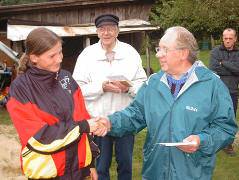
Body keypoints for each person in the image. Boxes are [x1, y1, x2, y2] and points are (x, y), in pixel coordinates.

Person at [96, 26, 238, 180]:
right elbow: (135, 115)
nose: (158, 54)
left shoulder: (212, 85)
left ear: (183, 53)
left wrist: (201, 141)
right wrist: (110, 123)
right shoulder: (153, 83)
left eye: (164, 49)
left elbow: (226, 128)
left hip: (193, 173)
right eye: (158, 48)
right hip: (154, 172)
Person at [6, 27, 106, 180]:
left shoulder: (66, 78)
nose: (59, 59)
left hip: (80, 171)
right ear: (34, 57)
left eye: (60, 52)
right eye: (52, 55)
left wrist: (90, 164)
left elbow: (82, 119)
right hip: (48, 173)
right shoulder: (20, 89)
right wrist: (83, 126)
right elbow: (38, 138)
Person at [72, 14, 147, 180]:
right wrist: (101, 87)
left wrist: (129, 88)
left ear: (117, 31)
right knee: (100, 165)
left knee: (126, 164)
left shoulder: (130, 52)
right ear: (97, 32)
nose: (106, 33)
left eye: (111, 29)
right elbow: (76, 89)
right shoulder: (87, 55)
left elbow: (143, 83)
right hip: (98, 119)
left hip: (125, 118)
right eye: (102, 29)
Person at [209, 28, 239, 155]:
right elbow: (213, 69)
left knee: (230, 118)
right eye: (225, 38)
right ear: (222, 38)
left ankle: (228, 145)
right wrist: (231, 68)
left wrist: (223, 63)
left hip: (232, 91)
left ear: (235, 39)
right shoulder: (215, 51)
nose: (227, 41)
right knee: (214, 117)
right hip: (217, 91)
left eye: (230, 38)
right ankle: (212, 142)